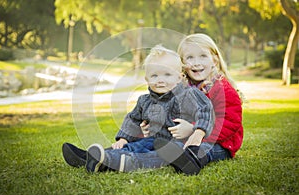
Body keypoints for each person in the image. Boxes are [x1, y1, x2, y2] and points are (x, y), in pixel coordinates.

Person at [62, 45, 214, 175]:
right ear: (147, 79)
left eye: (167, 74)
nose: (160, 80)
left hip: (178, 144)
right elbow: (133, 119)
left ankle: (120, 161)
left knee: (162, 154)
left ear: (179, 77)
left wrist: (198, 132)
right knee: (133, 146)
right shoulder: (144, 100)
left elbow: (205, 109)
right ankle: (95, 157)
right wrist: (123, 138)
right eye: (154, 75)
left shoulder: (188, 95)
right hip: (152, 139)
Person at [154, 33, 243, 175]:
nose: (196, 62)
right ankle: (175, 154)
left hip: (221, 143)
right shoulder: (183, 89)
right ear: (182, 63)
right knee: (169, 143)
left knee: (204, 149)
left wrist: (195, 129)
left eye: (203, 56)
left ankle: (192, 162)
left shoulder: (222, 89)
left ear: (214, 60)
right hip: (190, 139)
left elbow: (228, 122)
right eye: (190, 57)